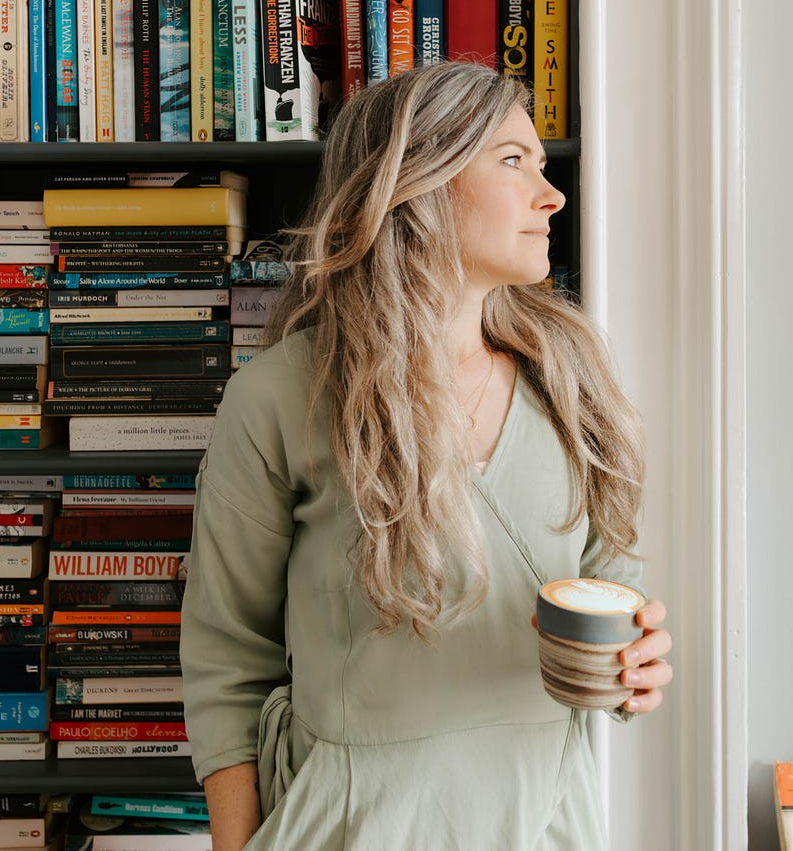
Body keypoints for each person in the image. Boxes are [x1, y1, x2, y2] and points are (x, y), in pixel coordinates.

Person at [179, 61, 673, 851]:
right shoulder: (279, 396)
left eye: (544, 166)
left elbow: (611, 580)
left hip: (544, 824)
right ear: (419, 179)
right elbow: (224, 663)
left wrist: (637, 661)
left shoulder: (571, 381)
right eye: (514, 161)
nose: (552, 196)